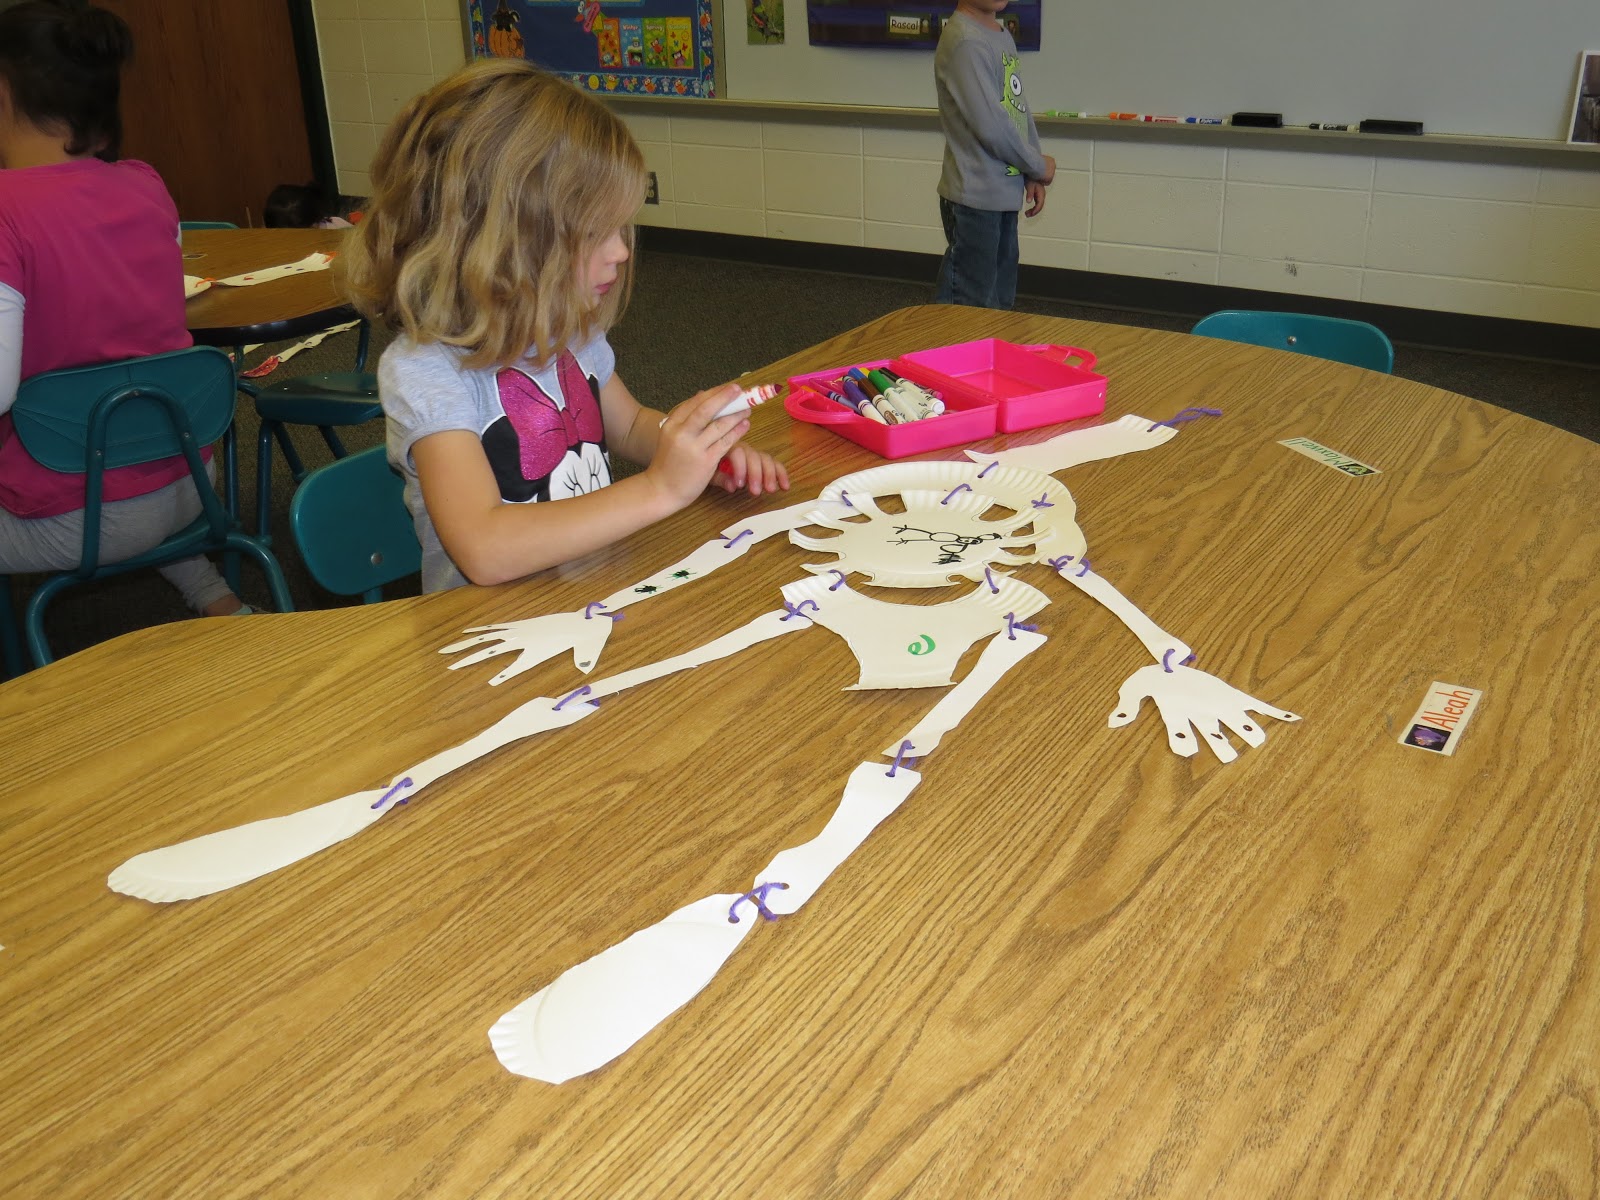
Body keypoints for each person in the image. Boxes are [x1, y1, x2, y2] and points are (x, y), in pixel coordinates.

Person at [343, 60, 789, 593]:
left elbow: (629, 426)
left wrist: (694, 451)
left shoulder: (566, 330)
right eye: (597, 232)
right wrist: (660, 490)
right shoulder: (426, 373)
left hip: (592, 598)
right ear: (507, 240)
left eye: (621, 229)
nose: (622, 252)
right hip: (488, 638)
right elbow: (484, 548)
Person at [0, 0, 249, 616]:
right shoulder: (146, 184)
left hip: (74, 516)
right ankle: (213, 593)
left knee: (89, 444)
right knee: (118, 417)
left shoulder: (6, 209)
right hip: (189, 482)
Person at [933, 0, 1055, 310]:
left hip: (1001, 193)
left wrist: (1031, 170)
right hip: (974, 197)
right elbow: (992, 128)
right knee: (970, 303)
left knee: (999, 302)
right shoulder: (965, 41)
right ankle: (948, 357)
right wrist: (1038, 165)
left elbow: (1016, 111)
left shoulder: (1000, 35)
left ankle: (988, 357)